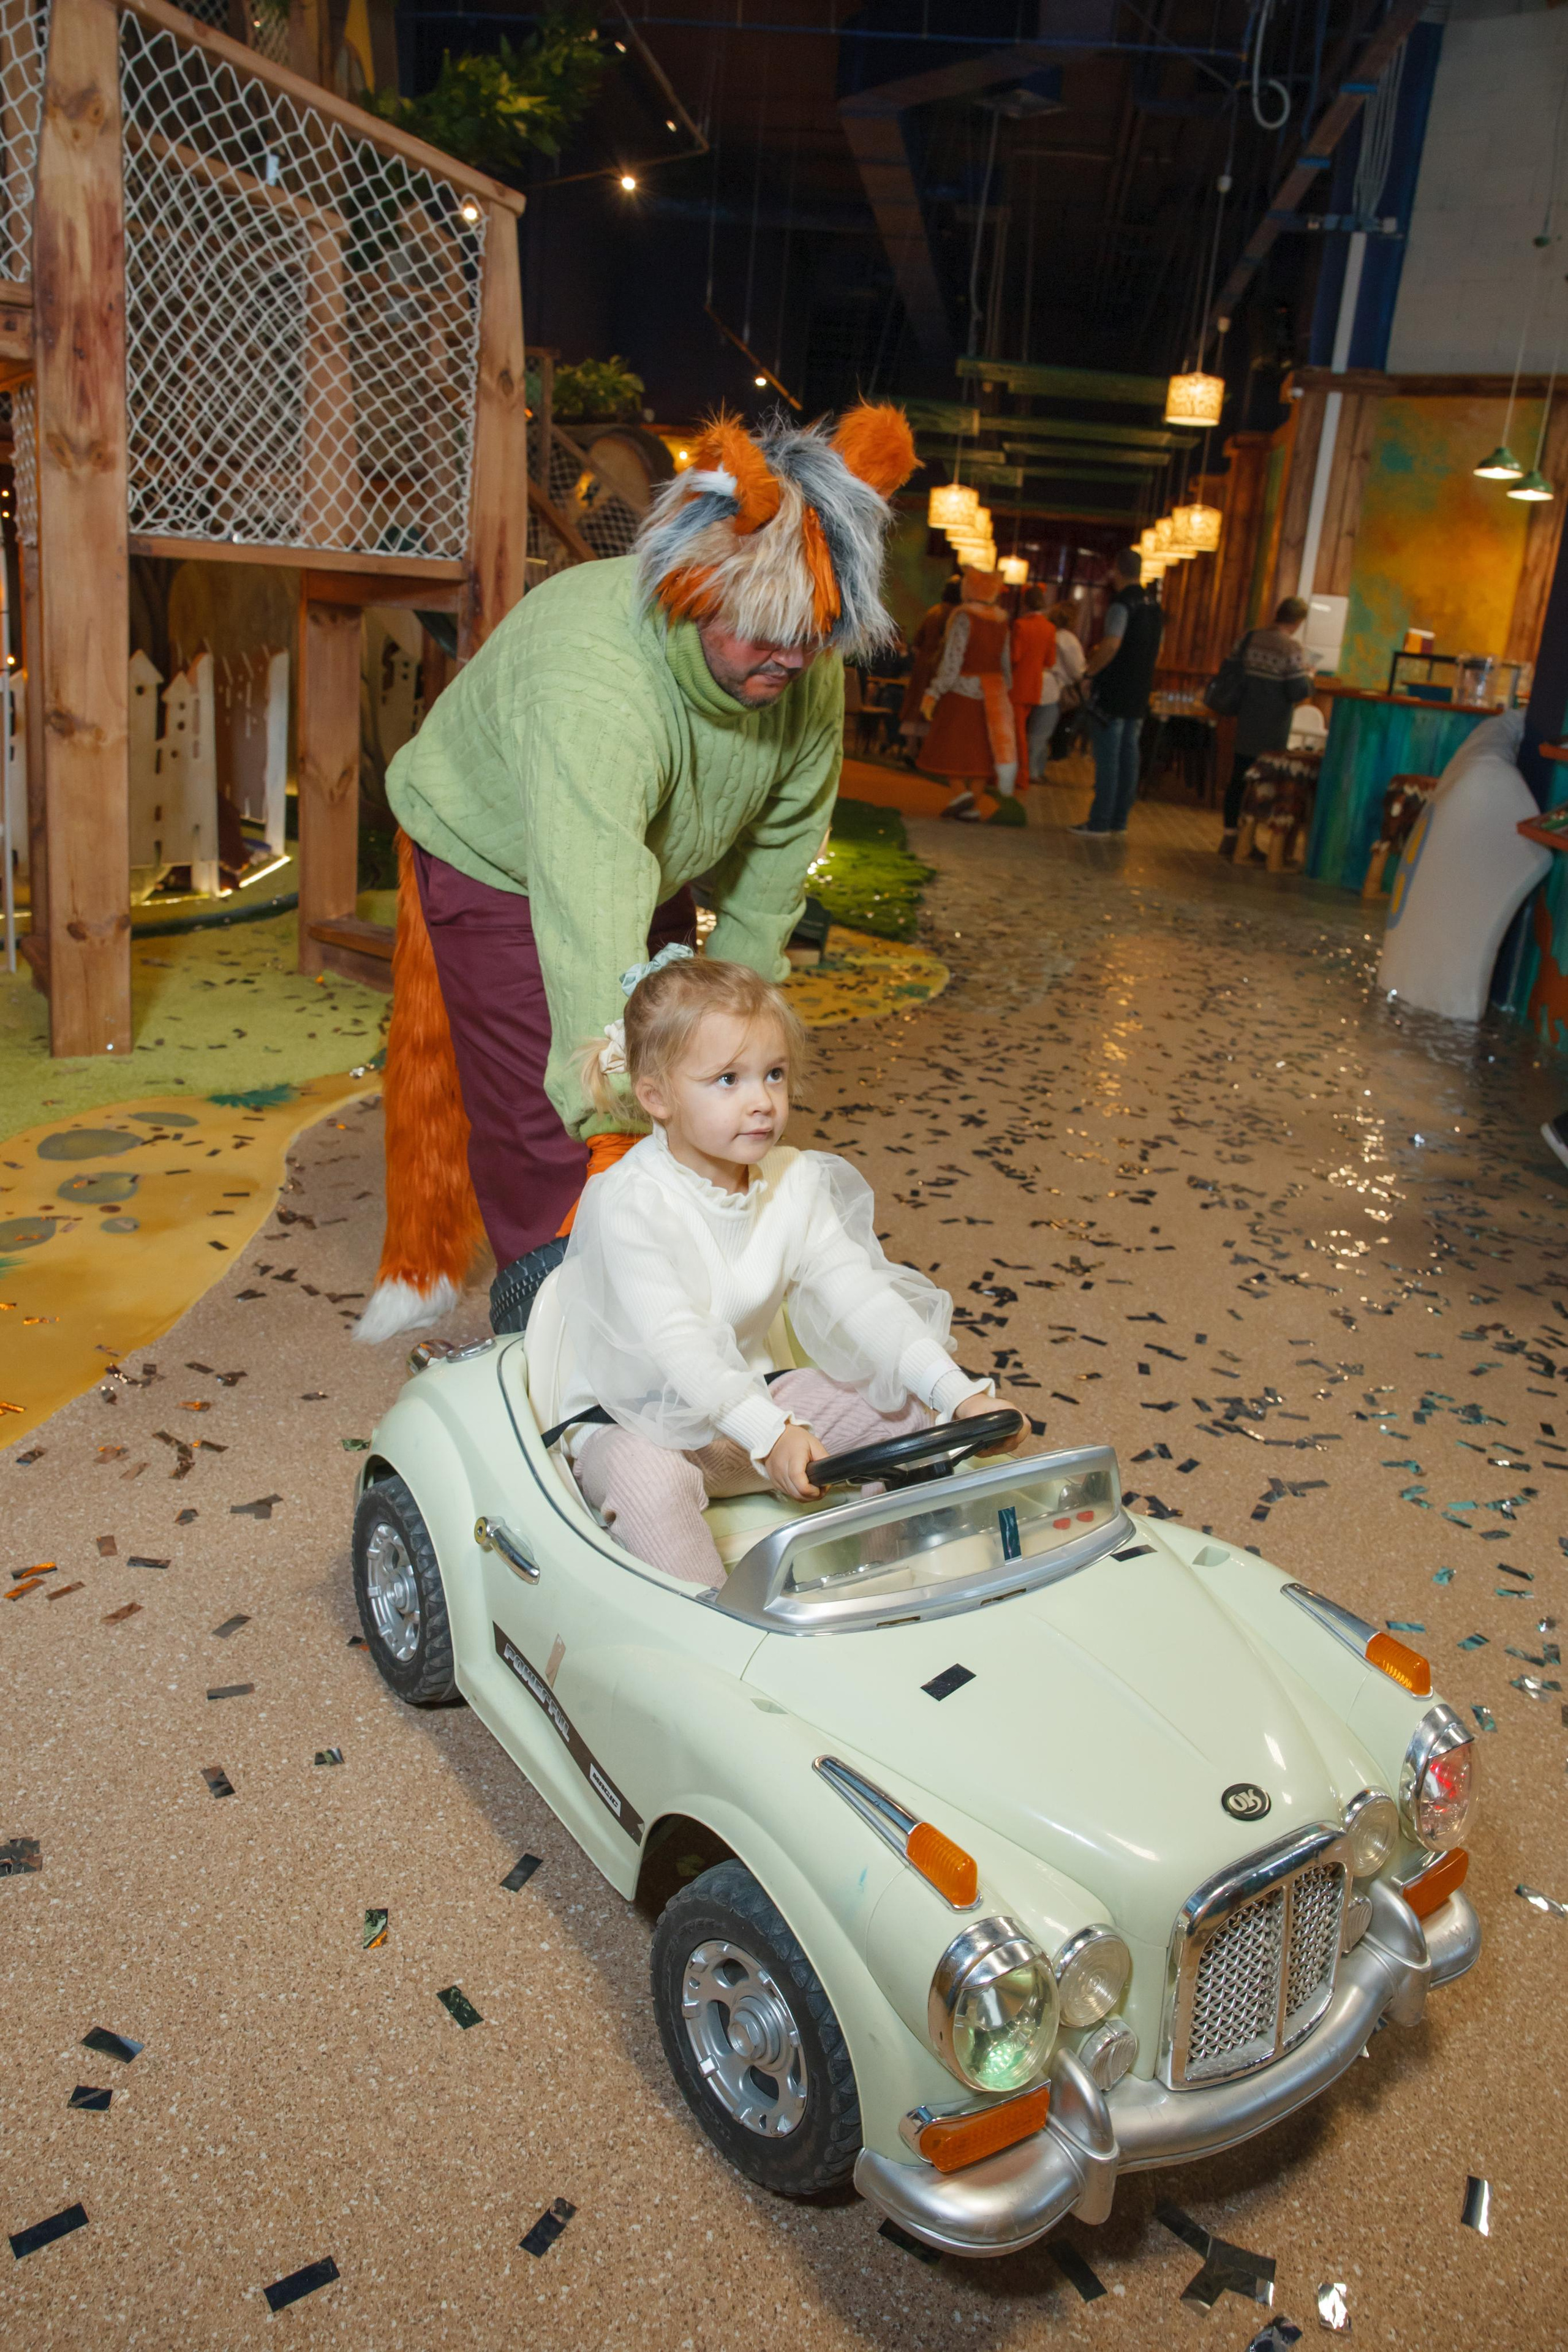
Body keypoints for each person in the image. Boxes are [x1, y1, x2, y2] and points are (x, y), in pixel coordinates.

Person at [356, 401, 918, 1341]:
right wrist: (607, 1110)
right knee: (556, 1116)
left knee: (684, 1079)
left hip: (647, 854)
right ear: (700, 587)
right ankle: (555, 1334)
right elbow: (590, 924)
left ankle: (667, 1298)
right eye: (762, 630)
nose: (791, 658)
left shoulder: (803, 663)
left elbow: (781, 849)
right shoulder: (597, 680)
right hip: (495, 854)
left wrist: (736, 1041)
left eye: (813, 634)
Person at [559, 952, 1022, 1586]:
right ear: (656, 1097)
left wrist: (956, 1392)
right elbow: (679, 1348)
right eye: (728, 1080)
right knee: (652, 1480)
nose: (761, 1103)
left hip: (748, 1407)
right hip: (637, 1423)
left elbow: (863, 1301)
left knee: (906, 1409)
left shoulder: (794, 1181)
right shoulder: (627, 1201)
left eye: (773, 1075)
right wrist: (770, 1434)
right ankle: (717, 1638)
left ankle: (887, 1573)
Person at [1072, 548, 1164, 837]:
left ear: (1117, 571)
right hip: (1140, 690)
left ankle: (1099, 821)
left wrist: (1090, 673)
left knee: (1109, 757)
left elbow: (1111, 645)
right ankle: (1119, 821)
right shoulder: (1154, 606)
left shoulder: (1122, 605)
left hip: (1114, 690)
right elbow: (1157, 650)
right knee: (1129, 756)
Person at [917, 564, 1017, 822]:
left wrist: (935, 691)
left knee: (954, 744)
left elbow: (953, 659)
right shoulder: (1002, 620)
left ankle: (961, 793)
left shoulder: (964, 617)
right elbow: (1006, 662)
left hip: (962, 690)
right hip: (993, 693)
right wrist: (1005, 689)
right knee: (983, 749)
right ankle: (973, 802)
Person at [1219, 595, 1315, 857]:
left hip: (1245, 719)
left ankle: (1230, 836)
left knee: (1239, 779)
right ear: (1297, 622)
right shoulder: (1291, 649)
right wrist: (1310, 677)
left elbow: (1228, 667)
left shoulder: (1249, 638)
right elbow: (1297, 691)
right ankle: (1248, 843)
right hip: (1272, 727)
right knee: (1264, 785)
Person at [1003, 585, 1058, 824]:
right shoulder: (1049, 628)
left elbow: (1014, 656)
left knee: (1017, 734)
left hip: (1017, 685)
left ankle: (1020, 777)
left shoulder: (1021, 626)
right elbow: (1050, 660)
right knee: (1022, 733)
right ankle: (1019, 774)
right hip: (1034, 687)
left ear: (1025, 603)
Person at [898, 576, 961, 759]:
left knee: (915, 707)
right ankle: (928, 755)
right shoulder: (957, 616)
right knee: (933, 711)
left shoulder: (933, 612)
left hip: (922, 667)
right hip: (940, 668)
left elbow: (917, 642)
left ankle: (911, 750)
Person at [1034, 598, 1087, 772]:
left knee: (1035, 730)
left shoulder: (1046, 634)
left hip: (1035, 683)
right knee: (1042, 732)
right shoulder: (1068, 640)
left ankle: (1033, 769)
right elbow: (1077, 671)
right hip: (1054, 689)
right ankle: (1034, 771)